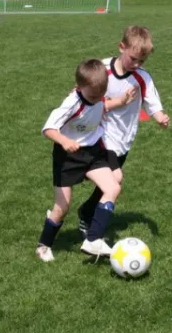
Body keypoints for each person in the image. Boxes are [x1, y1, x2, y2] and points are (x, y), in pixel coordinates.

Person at [77, 26, 170, 238]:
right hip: (101, 135)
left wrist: (160, 118)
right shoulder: (102, 71)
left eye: (142, 62)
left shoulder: (142, 78)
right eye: (133, 59)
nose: (137, 65)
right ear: (121, 47)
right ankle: (91, 227)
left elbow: (152, 103)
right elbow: (80, 93)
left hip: (124, 139)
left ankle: (87, 211)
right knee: (115, 179)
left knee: (111, 182)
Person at [35, 58, 122, 262]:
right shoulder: (72, 103)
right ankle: (43, 245)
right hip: (67, 158)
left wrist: (122, 102)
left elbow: (104, 105)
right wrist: (64, 141)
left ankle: (93, 240)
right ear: (78, 87)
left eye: (101, 94)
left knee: (113, 186)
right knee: (62, 208)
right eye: (93, 95)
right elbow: (48, 128)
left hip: (92, 153)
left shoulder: (98, 96)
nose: (97, 98)